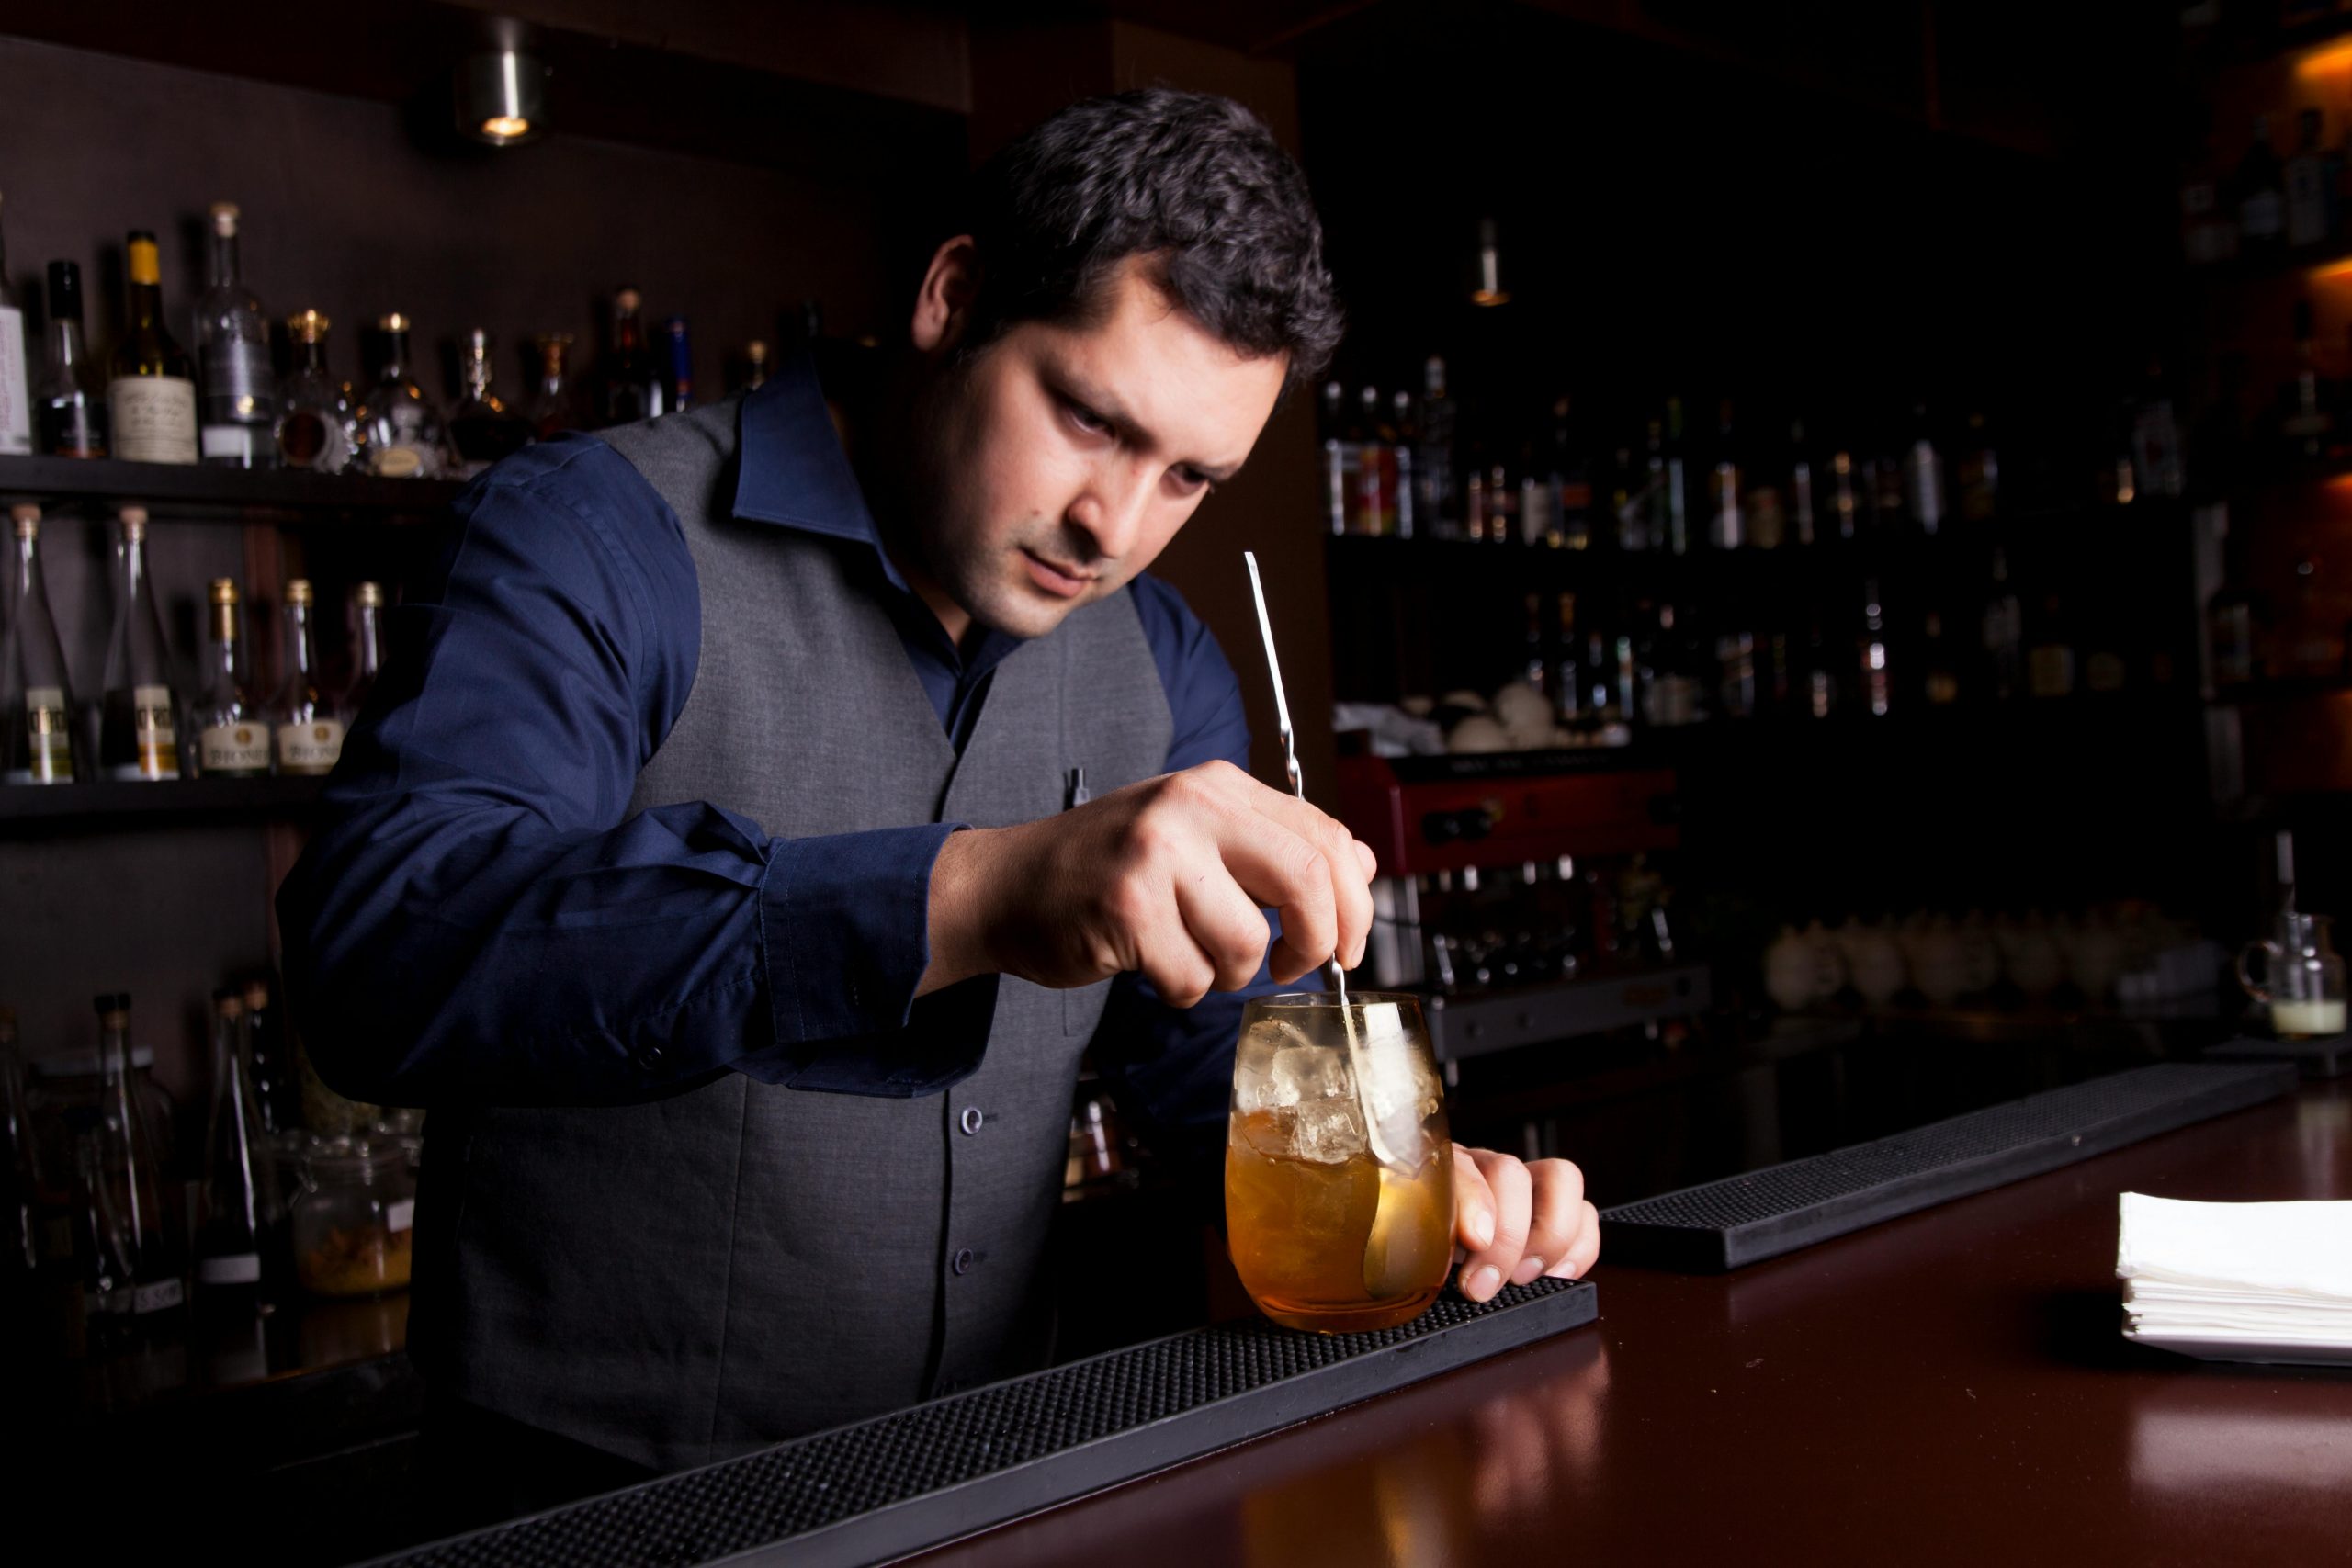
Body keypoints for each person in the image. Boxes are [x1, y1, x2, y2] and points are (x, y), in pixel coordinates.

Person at [277, 88, 1599, 1520]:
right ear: (953, 298)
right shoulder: (596, 535)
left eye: (1189, 477)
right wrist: (965, 896)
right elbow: (379, 958)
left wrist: (1403, 1182)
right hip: (593, 1511)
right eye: (1089, 419)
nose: (1115, 525)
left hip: (989, 1483)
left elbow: (1217, 1066)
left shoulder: (1161, 661)